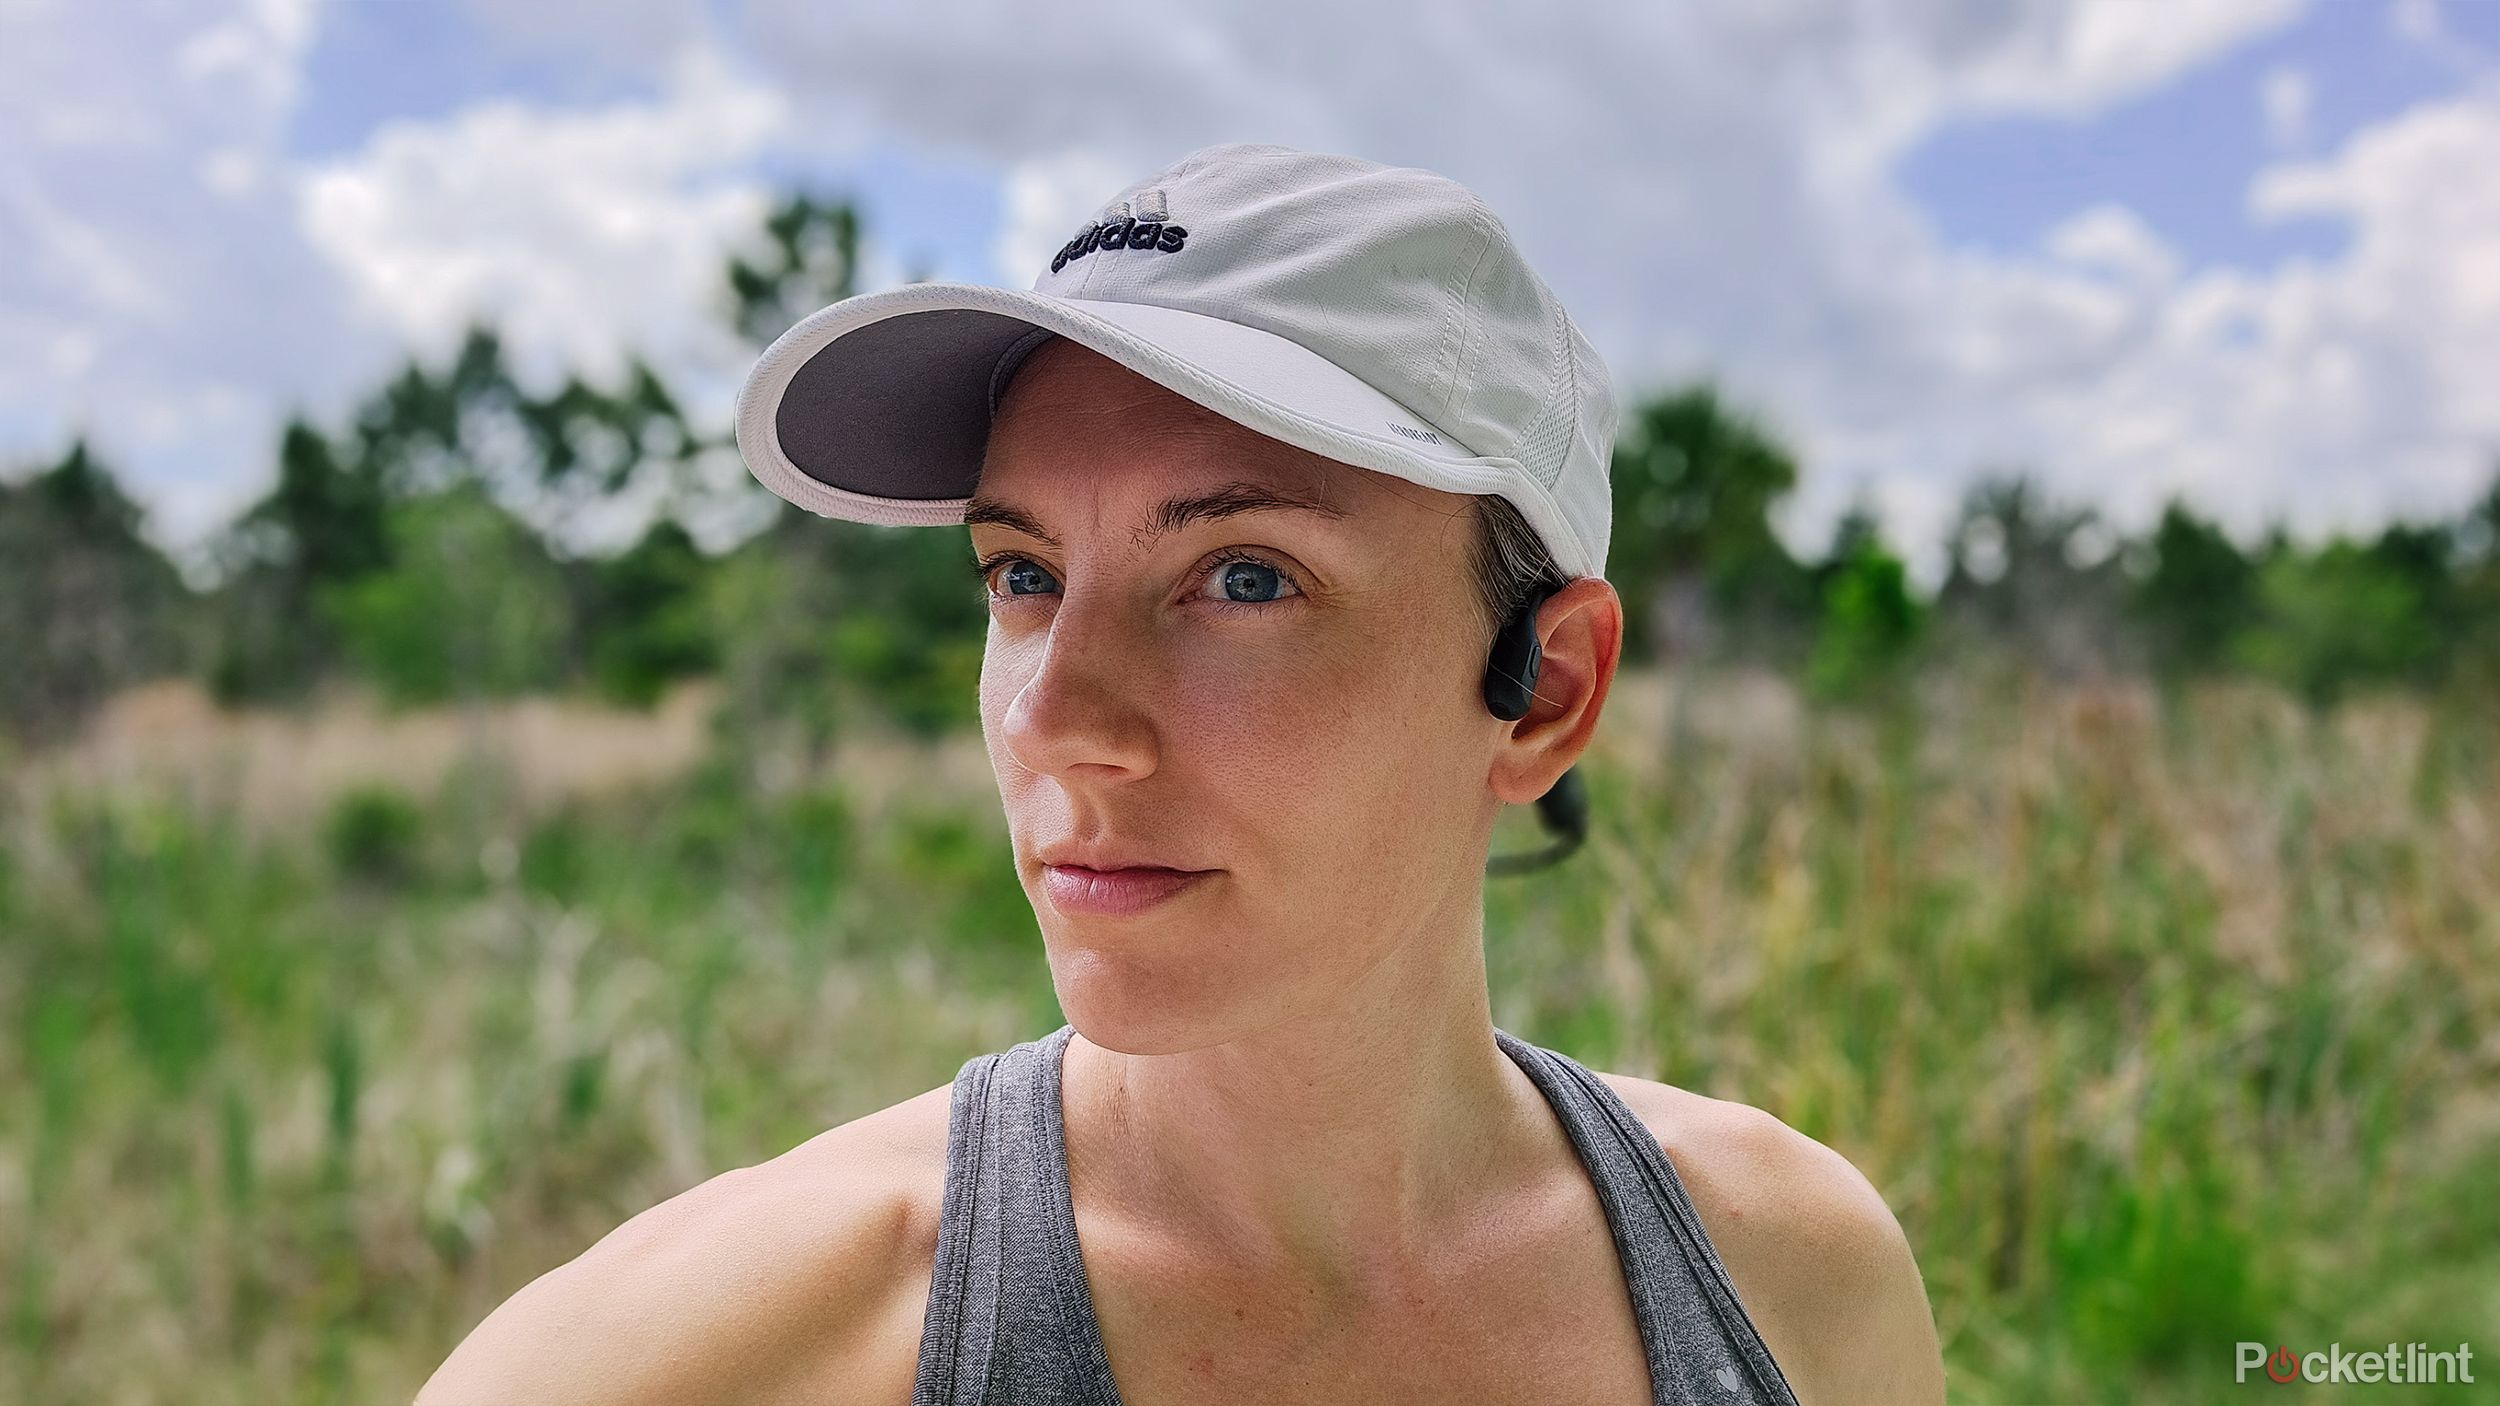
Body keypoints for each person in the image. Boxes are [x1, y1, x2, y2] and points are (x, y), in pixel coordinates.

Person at [417, 142, 1945, 1405]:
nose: (1057, 715)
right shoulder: (697, 1358)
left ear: (1544, 688)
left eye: (1246, 578)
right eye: (1022, 573)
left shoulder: (1796, 1276)